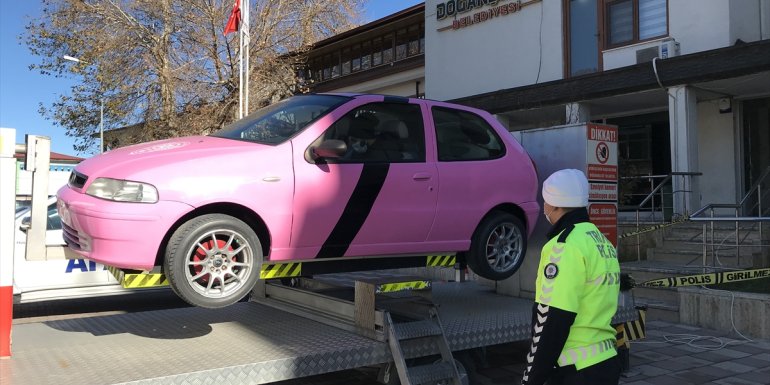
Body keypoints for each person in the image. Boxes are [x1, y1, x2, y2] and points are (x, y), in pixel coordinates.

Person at [521, 169, 621, 385]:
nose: (544, 207)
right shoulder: (599, 239)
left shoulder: (563, 246)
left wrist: (532, 378)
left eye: (545, 200)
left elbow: (551, 319)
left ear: (555, 204)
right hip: (606, 361)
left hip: (576, 370)